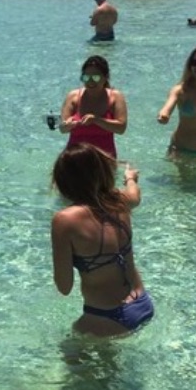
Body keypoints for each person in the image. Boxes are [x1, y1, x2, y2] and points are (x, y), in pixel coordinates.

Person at [51, 144, 154, 337]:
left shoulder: (65, 220)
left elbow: (64, 287)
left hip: (106, 316)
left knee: (70, 361)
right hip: (142, 303)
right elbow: (135, 196)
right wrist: (131, 179)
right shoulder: (120, 200)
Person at [59, 55, 127, 160]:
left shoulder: (115, 97)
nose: (90, 82)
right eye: (86, 77)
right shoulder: (73, 96)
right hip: (74, 158)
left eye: (95, 77)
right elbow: (62, 129)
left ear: (105, 77)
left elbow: (121, 128)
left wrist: (96, 120)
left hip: (104, 160)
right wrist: (70, 125)